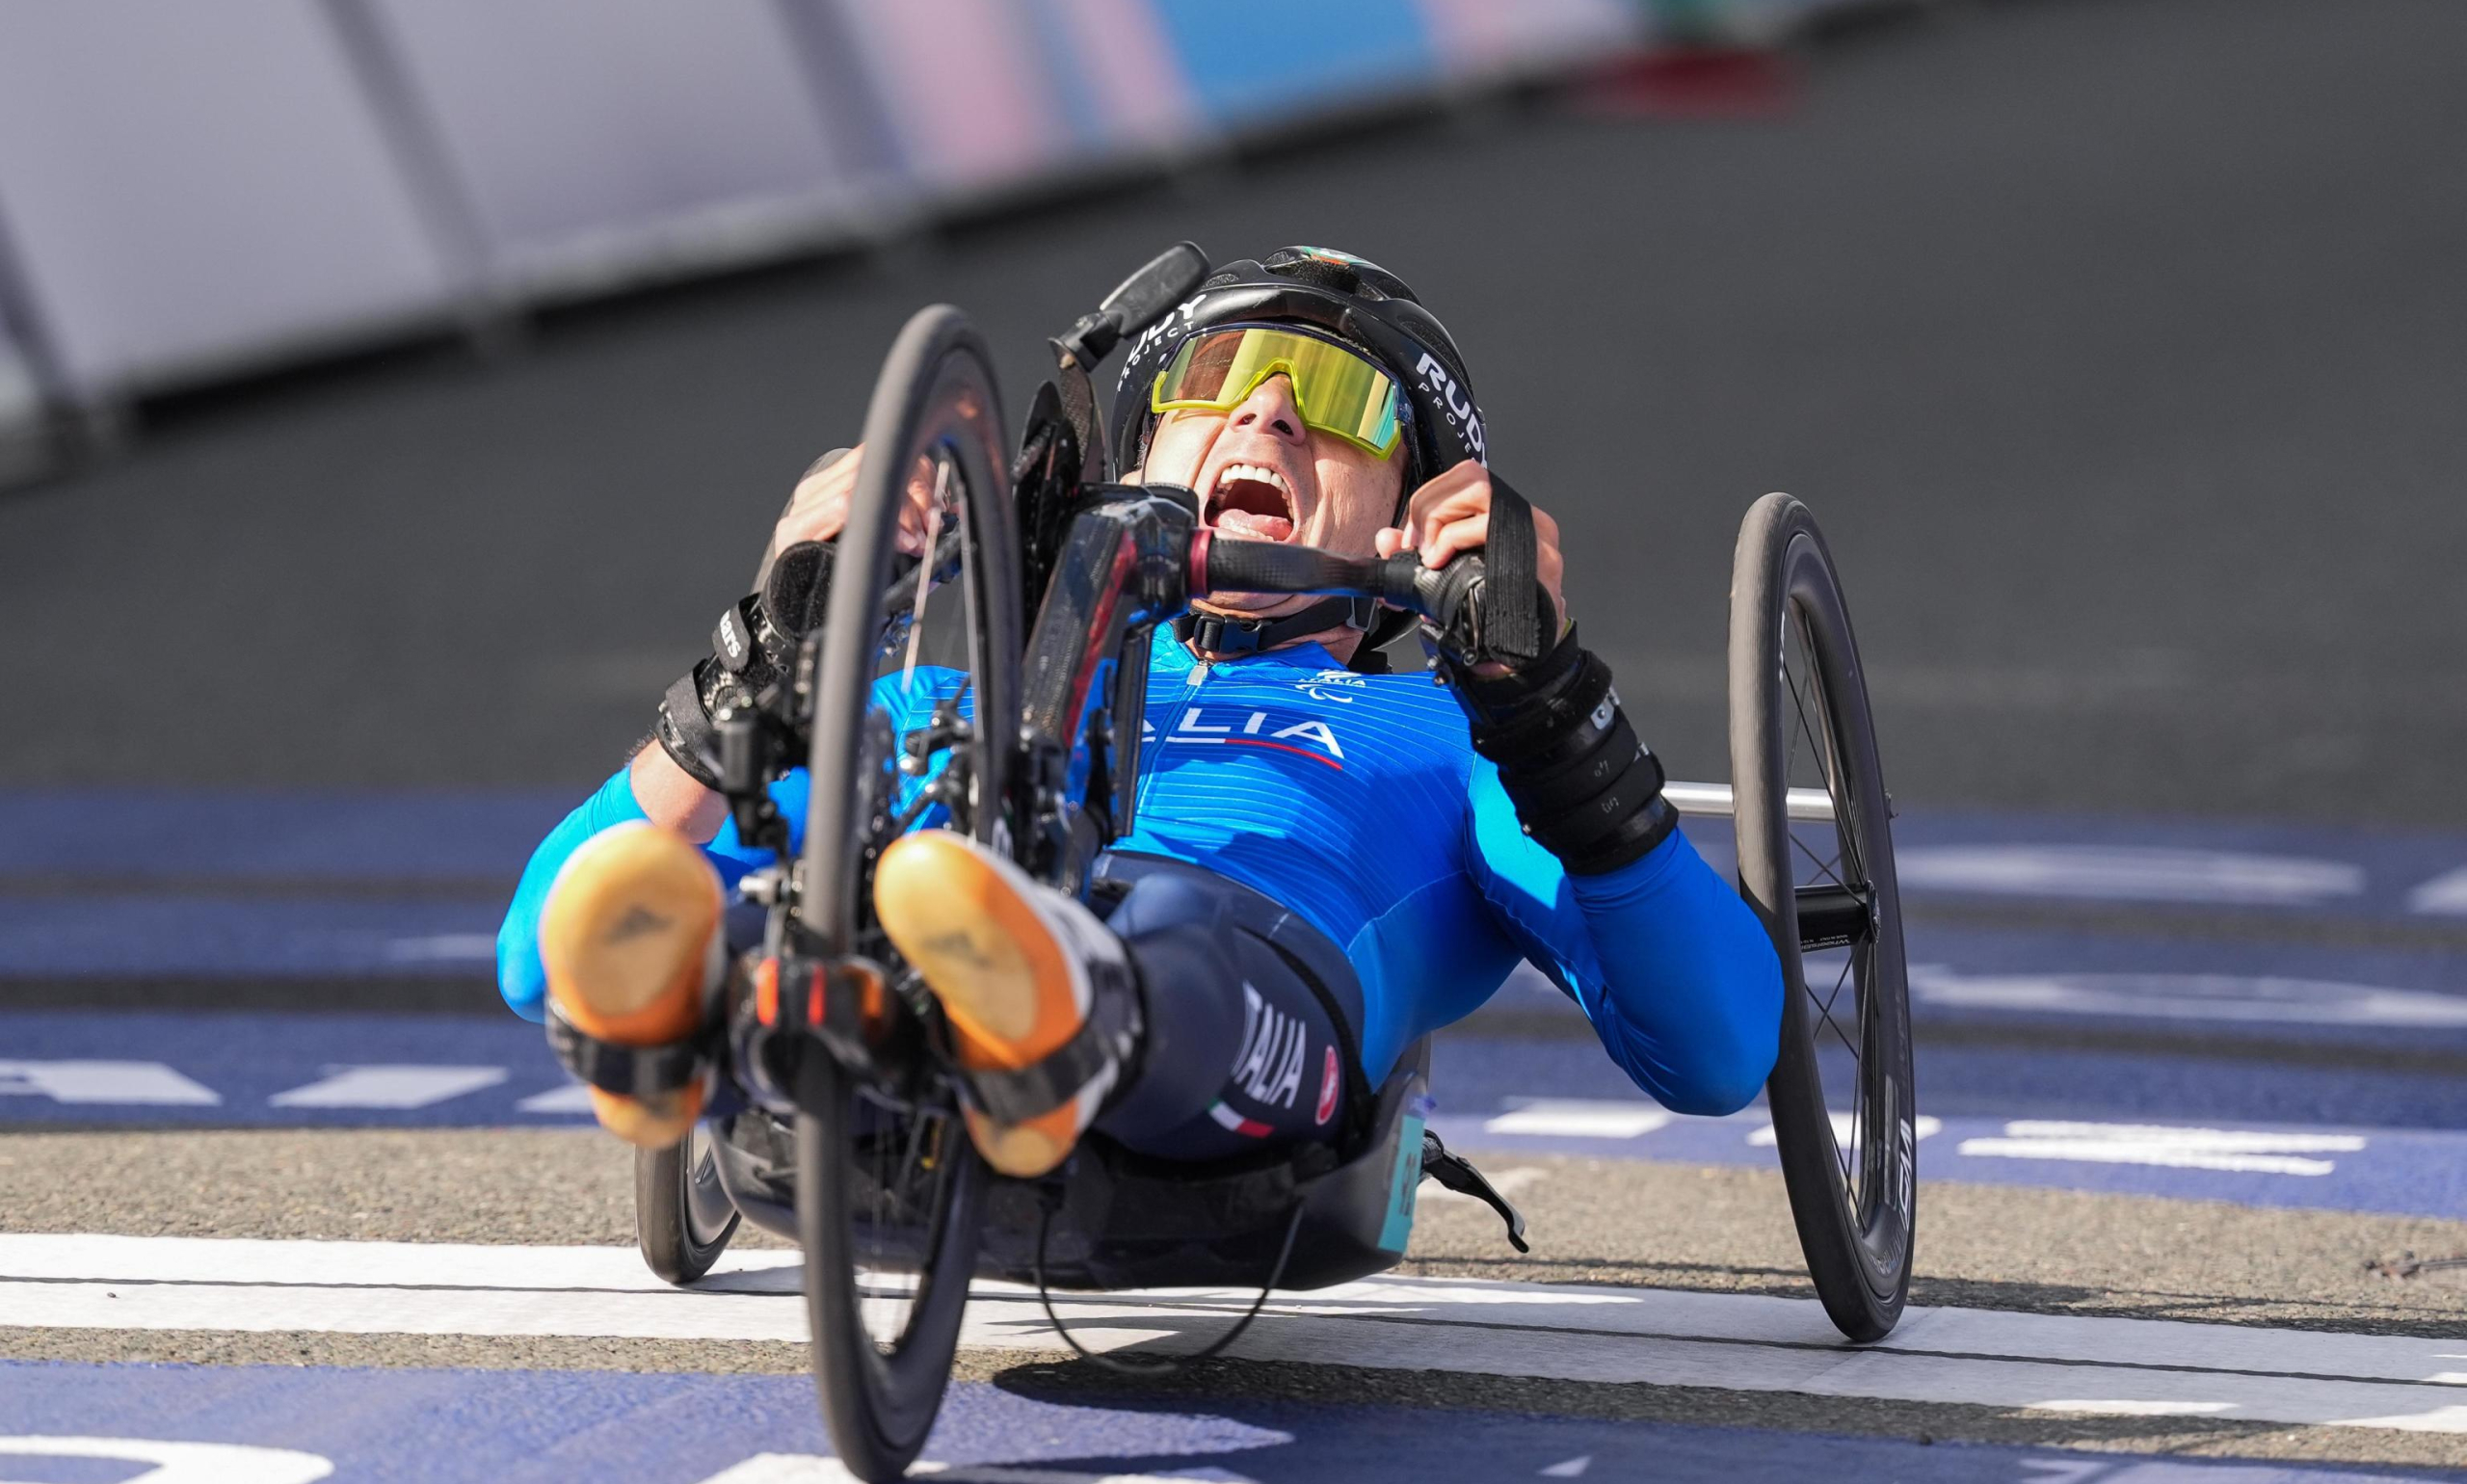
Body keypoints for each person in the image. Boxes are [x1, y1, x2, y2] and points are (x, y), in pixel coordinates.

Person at [498, 245, 1782, 1182]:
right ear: (1139, 464)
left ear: (1408, 522)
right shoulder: (940, 698)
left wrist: (1549, 704)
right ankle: (715, 1015)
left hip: (1236, 1006)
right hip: (920, 957)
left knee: (1163, 925)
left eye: (1341, 402)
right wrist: (773, 649)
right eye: (1222, 374)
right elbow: (528, 948)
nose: (1270, 408)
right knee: (783, 904)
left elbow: (1719, 1051)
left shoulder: (1450, 739)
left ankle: (1055, 996)